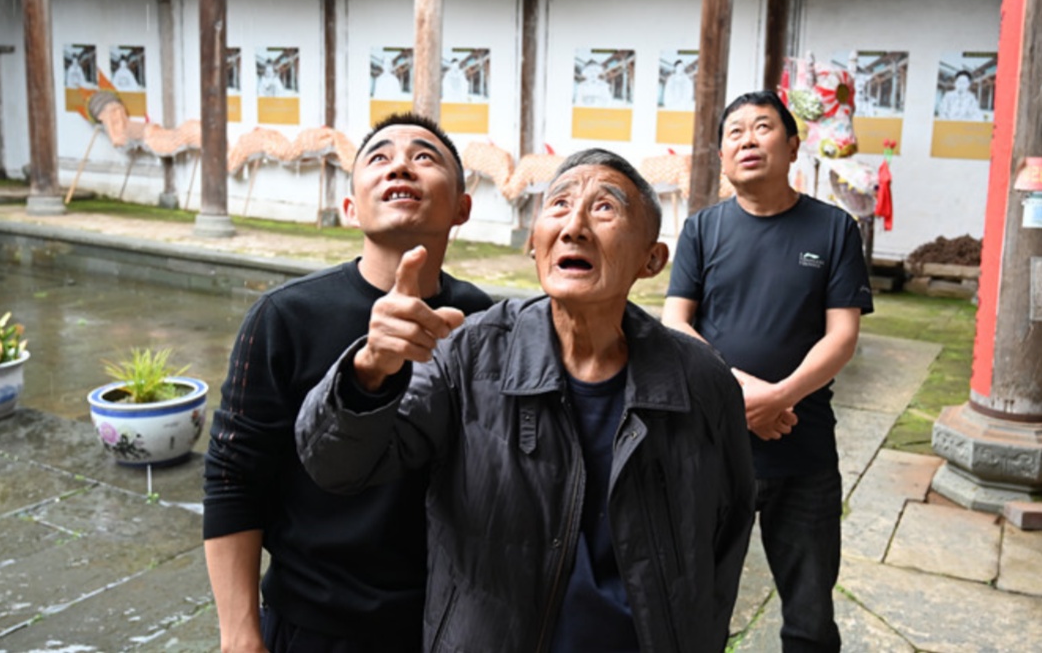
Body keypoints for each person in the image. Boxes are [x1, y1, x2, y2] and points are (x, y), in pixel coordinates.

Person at [295, 148, 757, 652]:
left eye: (605, 208)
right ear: (534, 246)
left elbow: (727, 531)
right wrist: (370, 370)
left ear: (652, 259)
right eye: (558, 205)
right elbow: (335, 465)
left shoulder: (701, 380)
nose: (574, 225)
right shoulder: (467, 354)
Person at [203, 112, 495, 653]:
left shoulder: (482, 322)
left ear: (462, 207)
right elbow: (234, 476)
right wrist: (240, 636)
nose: (401, 165)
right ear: (350, 207)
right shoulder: (285, 317)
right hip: (317, 625)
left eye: (425, 157)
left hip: (449, 624)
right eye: (379, 158)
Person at [662, 90, 874, 652]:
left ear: (793, 146)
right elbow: (676, 322)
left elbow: (843, 334)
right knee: (698, 602)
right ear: (723, 156)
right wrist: (742, 396)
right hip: (713, 448)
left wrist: (781, 396)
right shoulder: (703, 229)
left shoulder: (833, 229)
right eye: (734, 133)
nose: (747, 140)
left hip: (803, 450)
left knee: (809, 615)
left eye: (762, 128)